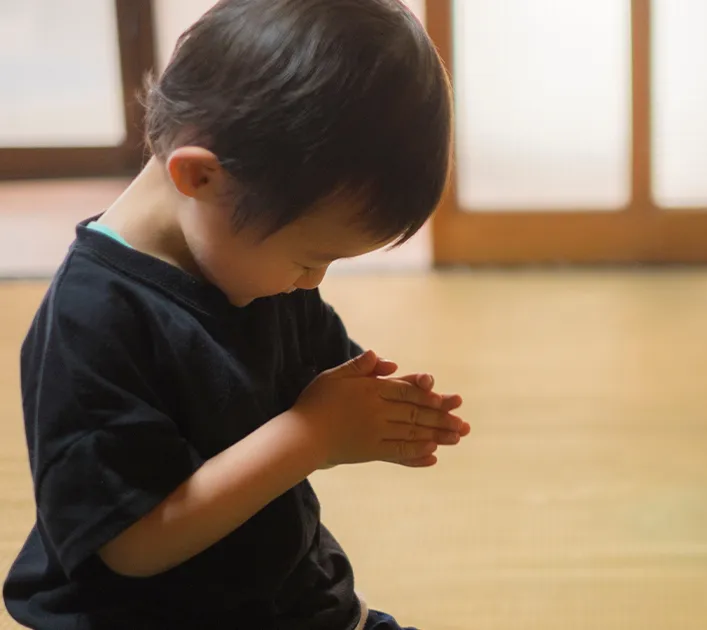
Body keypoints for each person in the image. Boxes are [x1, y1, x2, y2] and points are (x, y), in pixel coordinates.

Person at [2, 1, 464, 628]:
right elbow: (132, 546)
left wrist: (380, 413)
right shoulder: (93, 321)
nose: (316, 281)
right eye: (311, 258)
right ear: (201, 178)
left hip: (297, 598)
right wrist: (315, 435)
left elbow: (320, 386)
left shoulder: (258, 272)